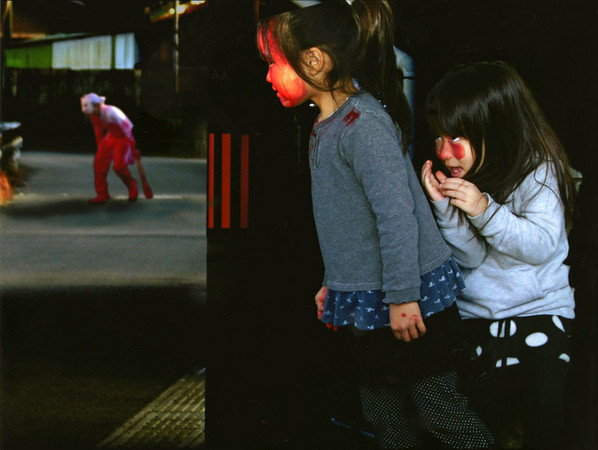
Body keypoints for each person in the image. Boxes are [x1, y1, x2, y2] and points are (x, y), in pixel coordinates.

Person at [258, 2, 494, 448]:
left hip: (408, 302)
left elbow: (396, 215)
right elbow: (345, 225)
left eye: (274, 64)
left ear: (314, 60)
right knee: (383, 415)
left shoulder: (362, 125)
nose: (268, 76)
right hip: (372, 301)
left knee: (441, 411)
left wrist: (405, 298)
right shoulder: (324, 124)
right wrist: (337, 283)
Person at [421, 60, 576, 449]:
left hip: (538, 313)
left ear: (495, 129)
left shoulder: (537, 172)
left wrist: (484, 210)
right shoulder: (470, 176)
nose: (443, 152)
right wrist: (446, 209)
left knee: (544, 422)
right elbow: (470, 259)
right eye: (437, 139)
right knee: (484, 427)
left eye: (455, 138)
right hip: (479, 320)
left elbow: (541, 245)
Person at [80, 93, 153, 204]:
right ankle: (102, 194)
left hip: (123, 137)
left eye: (93, 111)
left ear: (97, 106)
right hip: (111, 136)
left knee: (119, 167)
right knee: (99, 163)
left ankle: (132, 185)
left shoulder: (111, 112)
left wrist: (133, 148)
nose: (92, 114)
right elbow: (98, 130)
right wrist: (101, 148)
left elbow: (127, 129)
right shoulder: (93, 115)